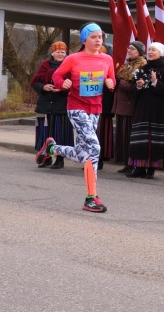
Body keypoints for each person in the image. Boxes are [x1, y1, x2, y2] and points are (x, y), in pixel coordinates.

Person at [37, 24, 116, 212]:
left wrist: (111, 83)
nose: (98, 40)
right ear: (84, 40)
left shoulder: (107, 59)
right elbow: (57, 75)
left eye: (100, 37)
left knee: (83, 154)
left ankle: (52, 147)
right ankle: (91, 198)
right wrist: (62, 82)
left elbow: (111, 80)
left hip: (95, 109)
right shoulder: (73, 59)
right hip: (76, 108)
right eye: (94, 37)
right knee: (94, 147)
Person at [126, 42, 164, 179]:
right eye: (150, 49)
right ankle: (139, 167)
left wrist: (155, 83)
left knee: (155, 140)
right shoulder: (142, 69)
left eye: (154, 50)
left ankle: (151, 168)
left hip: (158, 109)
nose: (151, 52)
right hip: (142, 108)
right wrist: (139, 86)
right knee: (140, 138)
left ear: (161, 53)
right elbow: (132, 90)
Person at [31, 41, 72, 170]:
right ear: (52, 53)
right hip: (46, 105)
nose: (60, 54)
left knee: (60, 134)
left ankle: (60, 159)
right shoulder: (45, 65)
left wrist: (62, 88)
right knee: (45, 134)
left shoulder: (70, 65)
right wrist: (44, 87)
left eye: (63, 52)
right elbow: (35, 82)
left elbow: (75, 83)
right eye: (58, 52)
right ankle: (46, 158)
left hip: (62, 105)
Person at [113, 42, 147, 174]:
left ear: (139, 51)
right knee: (123, 136)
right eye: (129, 48)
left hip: (130, 106)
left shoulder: (142, 65)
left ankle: (132, 163)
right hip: (121, 105)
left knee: (130, 137)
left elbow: (135, 87)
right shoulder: (127, 64)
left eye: (133, 49)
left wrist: (119, 82)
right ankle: (127, 163)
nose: (129, 50)